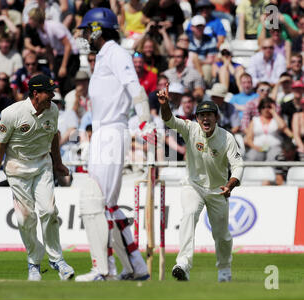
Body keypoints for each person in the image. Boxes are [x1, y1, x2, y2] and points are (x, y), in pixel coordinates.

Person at [76, 7, 154, 281]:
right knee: (105, 204)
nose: (85, 35)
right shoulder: (102, 56)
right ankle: (135, 267)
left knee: (96, 202)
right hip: (102, 133)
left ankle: (102, 269)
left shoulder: (116, 53)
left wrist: (144, 121)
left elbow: (135, 87)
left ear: (98, 29)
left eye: (87, 29)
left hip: (111, 132)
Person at [0, 74, 74, 281]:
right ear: (35, 93)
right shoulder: (11, 113)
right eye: (49, 92)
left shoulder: (52, 110)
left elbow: (54, 135)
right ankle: (34, 262)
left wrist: (58, 163)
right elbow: (0, 145)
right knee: (25, 218)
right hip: (17, 169)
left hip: (43, 165)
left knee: (49, 211)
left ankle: (57, 259)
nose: (52, 96)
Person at [157, 83, 243, 282]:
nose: (206, 118)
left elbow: (238, 165)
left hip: (218, 189)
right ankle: (183, 265)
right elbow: (169, 120)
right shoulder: (191, 129)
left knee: (222, 235)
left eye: (210, 115)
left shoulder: (227, 138)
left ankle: (224, 270)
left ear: (216, 118)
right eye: (202, 116)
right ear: (197, 118)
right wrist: (164, 104)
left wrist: (230, 185)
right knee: (188, 215)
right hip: (193, 185)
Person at [244, 97, 293, 161]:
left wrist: (274, 112)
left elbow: (283, 126)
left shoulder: (277, 119)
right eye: (263, 107)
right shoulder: (255, 120)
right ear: (260, 109)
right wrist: (256, 148)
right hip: (258, 147)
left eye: (269, 107)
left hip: (275, 147)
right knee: (253, 157)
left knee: (274, 158)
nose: (266, 109)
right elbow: (248, 139)